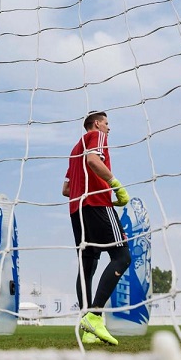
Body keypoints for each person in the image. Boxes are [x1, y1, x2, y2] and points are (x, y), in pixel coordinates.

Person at [62, 111, 131, 346]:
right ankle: (95, 315)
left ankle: (87, 329)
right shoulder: (96, 137)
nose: (109, 128)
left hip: (76, 210)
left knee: (87, 268)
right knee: (122, 257)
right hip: (96, 205)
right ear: (96, 124)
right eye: (107, 123)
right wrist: (116, 185)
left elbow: (65, 189)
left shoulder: (73, 151)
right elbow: (93, 161)